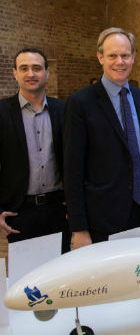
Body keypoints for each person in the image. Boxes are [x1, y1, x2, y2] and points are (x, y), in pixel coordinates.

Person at [64, 27, 140, 248]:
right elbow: (72, 170)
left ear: (133, 57)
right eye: (112, 55)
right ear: (100, 57)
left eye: (125, 55)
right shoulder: (80, 103)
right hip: (101, 221)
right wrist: (79, 228)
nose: (119, 62)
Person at [0, 48, 70, 252]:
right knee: (27, 278)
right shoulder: (3, 112)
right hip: (20, 212)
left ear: (47, 73)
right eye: (24, 68)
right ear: (15, 73)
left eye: (37, 68)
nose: (31, 74)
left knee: (61, 275)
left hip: (59, 209)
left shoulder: (64, 110)